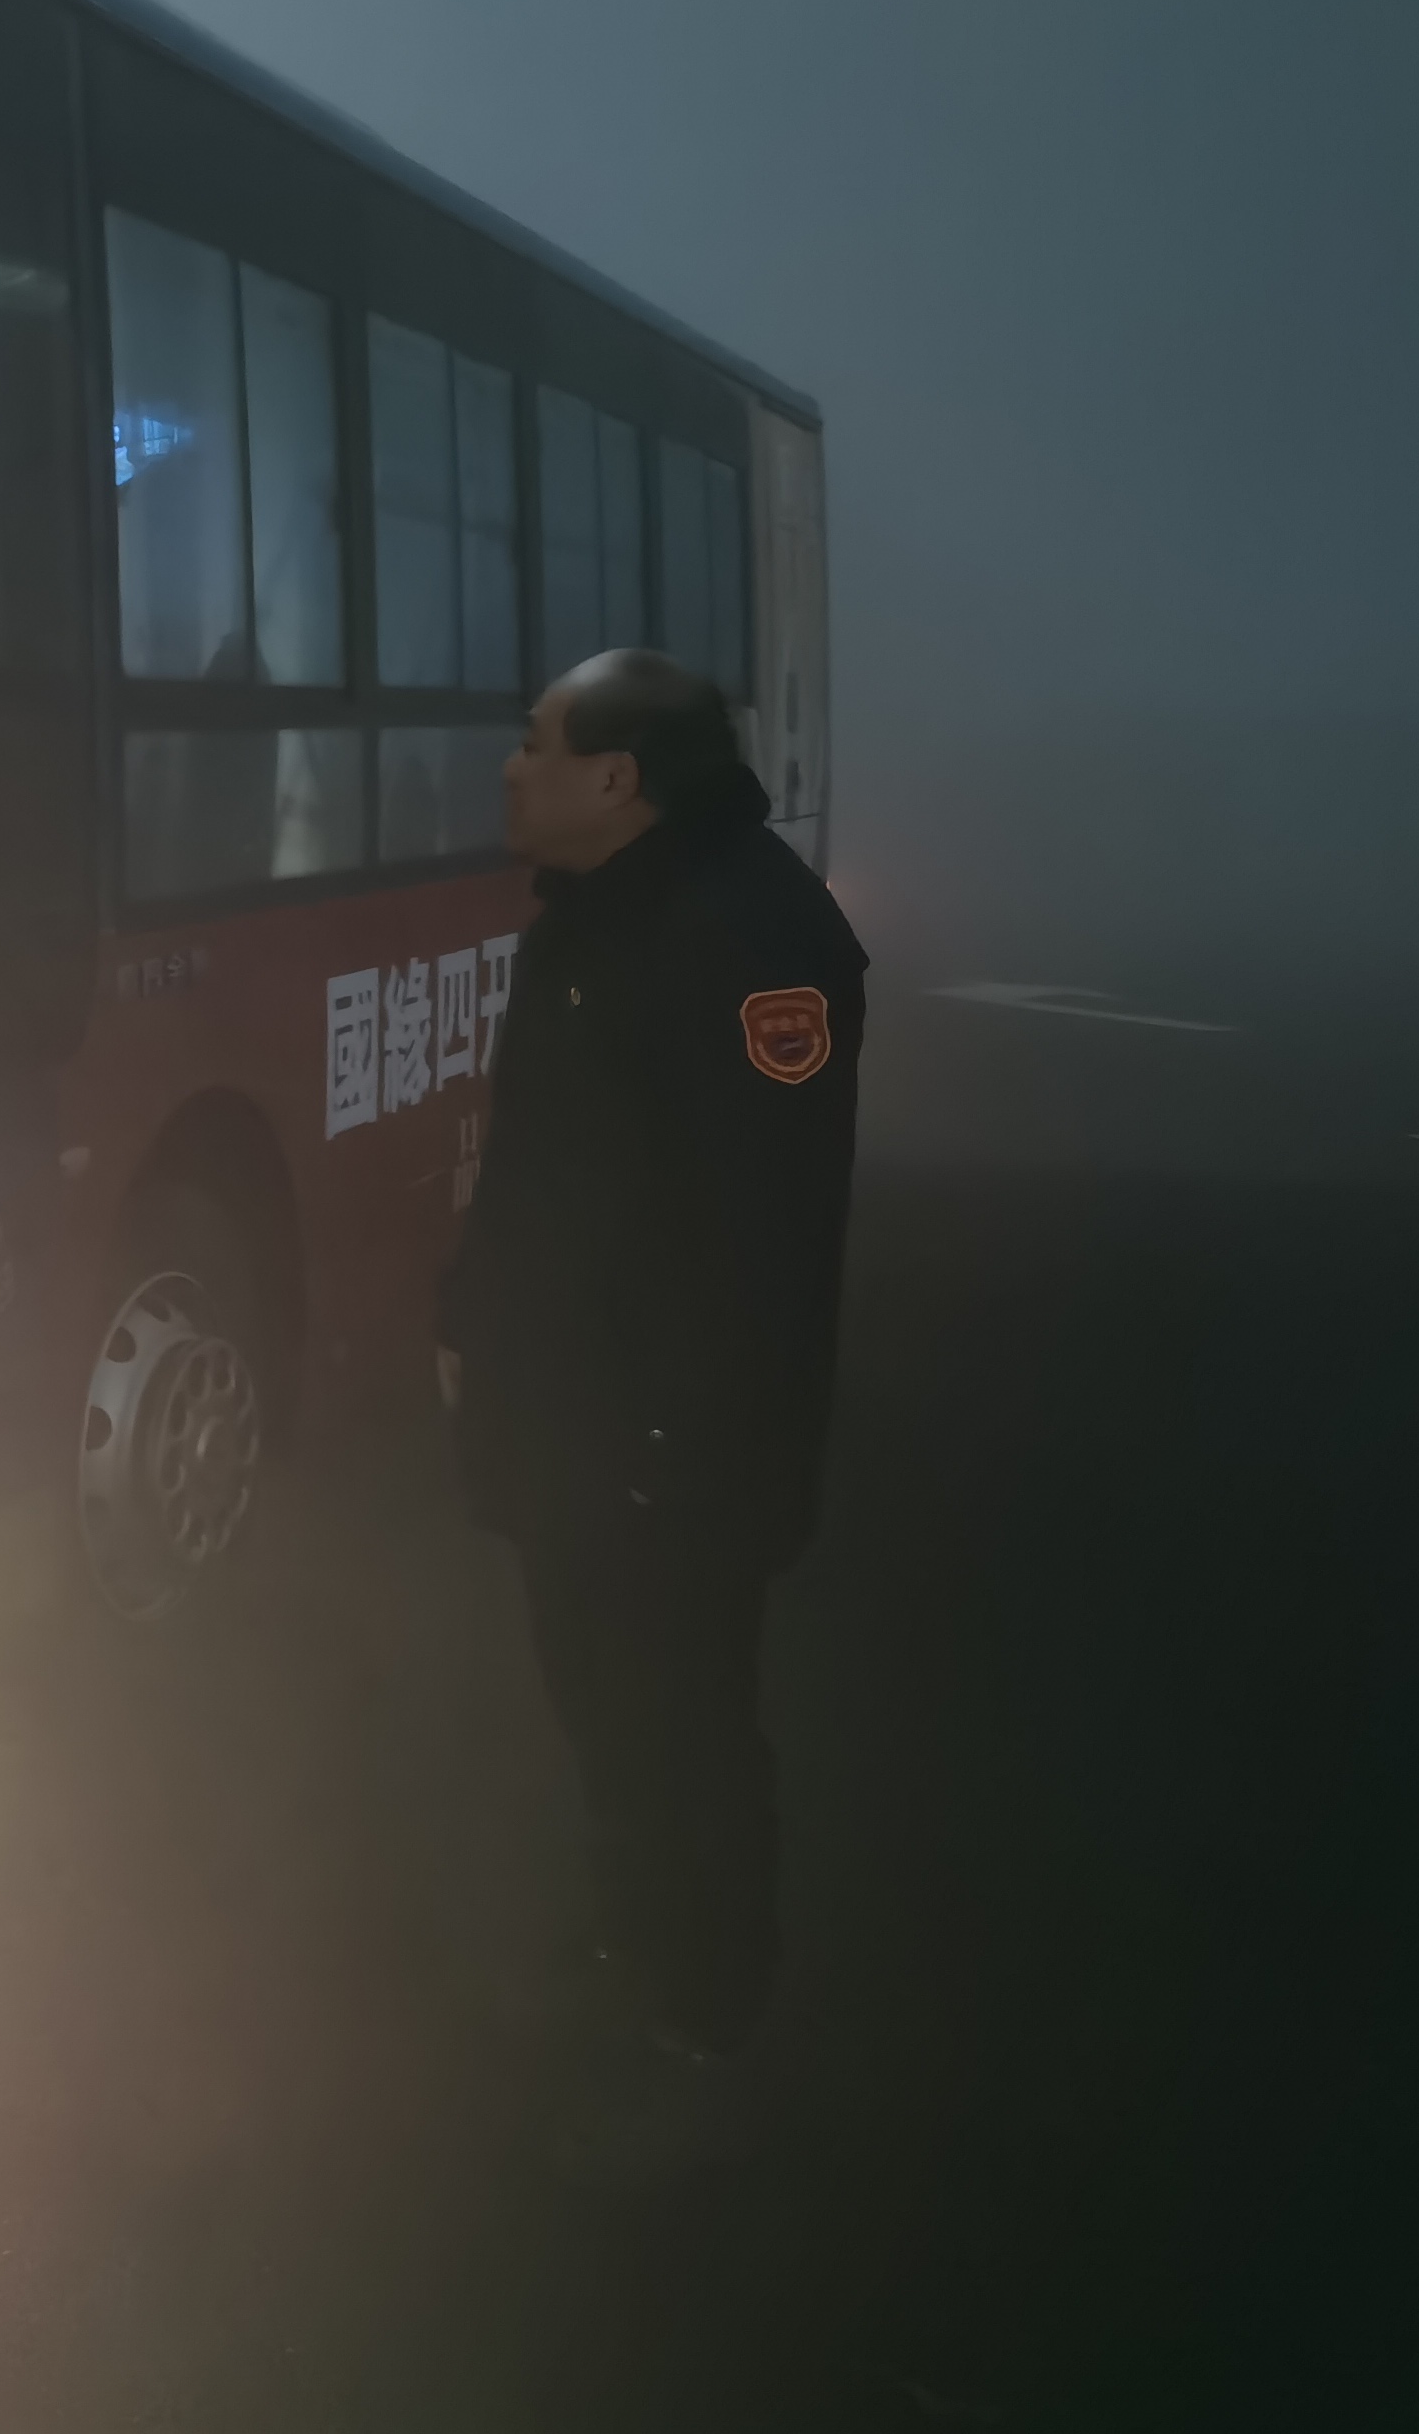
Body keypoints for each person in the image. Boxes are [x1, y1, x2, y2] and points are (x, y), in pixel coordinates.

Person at [434, 649, 866, 2171]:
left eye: (536, 743)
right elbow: (544, 1172)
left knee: (689, 1728)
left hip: (672, 1459)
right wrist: (470, 1321)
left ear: (618, 779)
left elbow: (765, 1235)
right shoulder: (595, 919)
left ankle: (708, 2013)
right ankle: (640, 1944)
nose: (512, 768)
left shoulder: (757, 939)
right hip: (577, 1432)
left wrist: (677, 1445)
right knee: (609, 1710)